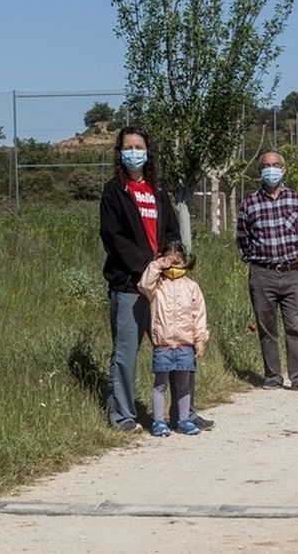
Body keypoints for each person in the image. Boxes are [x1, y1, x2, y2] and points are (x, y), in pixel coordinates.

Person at [99, 127, 214, 432]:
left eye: (139, 146)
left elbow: (172, 234)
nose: (133, 151)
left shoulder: (157, 192)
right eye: (128, 146)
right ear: (119, 152)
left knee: (179, 348)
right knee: (125, 354)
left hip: (165, 288)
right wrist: (145, 266)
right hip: (128, 285)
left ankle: (183, 414)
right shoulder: (114, 191)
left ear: (148, 152)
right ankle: (123, 417)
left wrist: (171, 258)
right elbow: (113, 237)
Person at [236, 150, 298, 392]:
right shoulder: (249, 203)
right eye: (267, 165)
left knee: (296, 326)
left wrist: (295, 255)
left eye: (276, 164)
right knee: (267, 327)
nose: (272, 169)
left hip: (292, 272)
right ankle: (272, 375)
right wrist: (257, 259)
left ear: (284, 169)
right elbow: (242, 238)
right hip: (262, 273)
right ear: (260, 171)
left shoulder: (297, 200)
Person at [138, 242, 209, 437]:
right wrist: (159, 264)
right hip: (163, 344)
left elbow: (199, 315)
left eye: (177, 263)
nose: (173, 268)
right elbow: (143, 284)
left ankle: (183, 419)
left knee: (184, 384)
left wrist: (200, 339)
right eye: (170, 263)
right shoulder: (156, 286)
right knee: (160, 384)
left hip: (185, 344)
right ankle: (159, 421)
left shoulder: (192, 287)